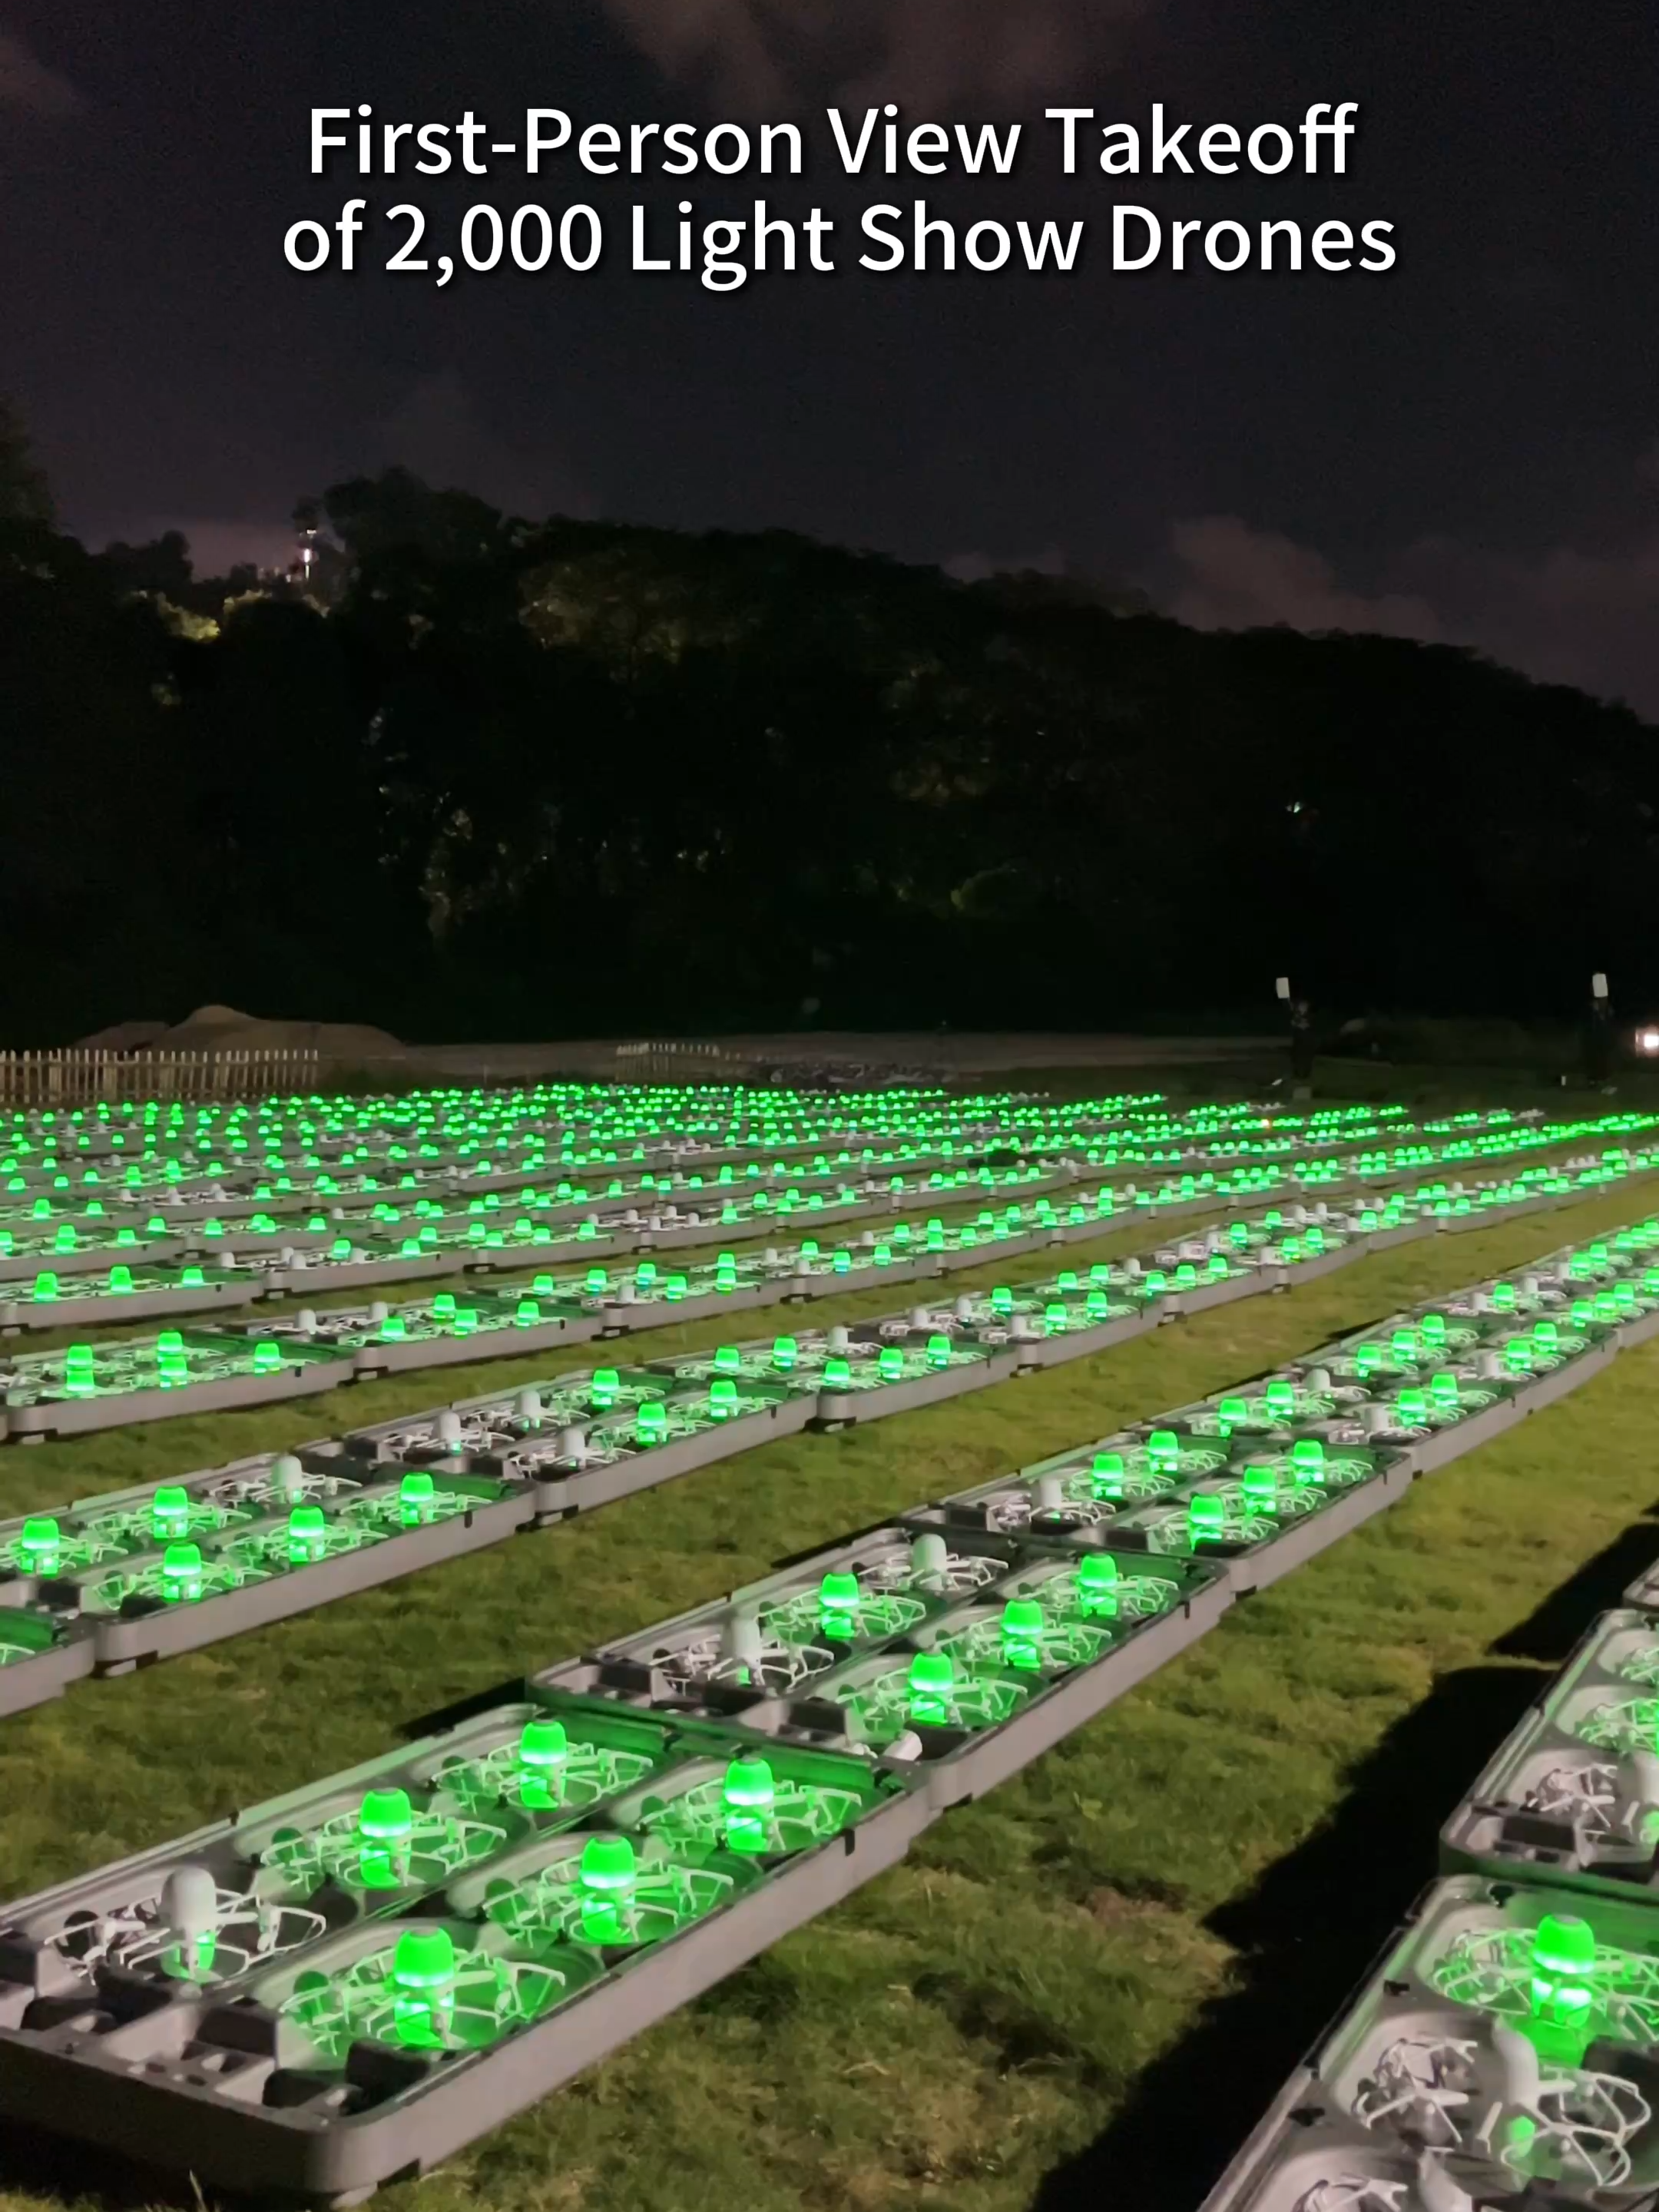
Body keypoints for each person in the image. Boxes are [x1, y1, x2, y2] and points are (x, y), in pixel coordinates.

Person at [1290, 995, 1315, 1082]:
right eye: (1301, 1006)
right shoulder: (1296, 1015)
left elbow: (1306, 1025)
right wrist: (1297, 1019)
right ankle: (1296, 1073)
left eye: (1304, 1006)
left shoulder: (1310, 1015)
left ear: (1307, 1007)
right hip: (1298, 1040)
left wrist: (1299, 1021)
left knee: (1307, 1058)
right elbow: (1293, 1024)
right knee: (1296, 1057)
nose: (1302, 1007)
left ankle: (1306, 1075)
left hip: (1307, 1040)